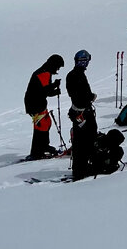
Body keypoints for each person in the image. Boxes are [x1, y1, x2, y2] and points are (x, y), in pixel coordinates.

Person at [24, 54, 64, 159]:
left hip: (37, 102)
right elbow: (45, 90)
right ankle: (37, 152)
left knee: (46, 122)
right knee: (41, 125)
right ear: (54, 65)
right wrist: (54, 87)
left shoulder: (46, 72)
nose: (58, 69)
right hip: (34, 104)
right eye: (58, 67)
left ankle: (44, 146)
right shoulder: (44, 73)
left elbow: (45, 91)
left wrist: (55, 89)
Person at [66, 50, 98, 180]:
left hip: (77, 111)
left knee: (80, 141)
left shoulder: (72, 75)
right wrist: (91, 97)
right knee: (86, 140)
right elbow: (81, 94)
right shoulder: (78, 75)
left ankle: (79, 168)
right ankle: (83, 168)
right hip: (83, 111)